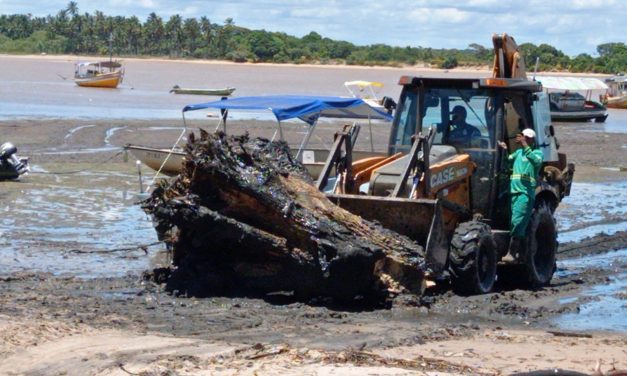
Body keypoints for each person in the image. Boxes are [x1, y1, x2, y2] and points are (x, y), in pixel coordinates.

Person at [498, 128, 544, 261]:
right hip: (514, 191)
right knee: (514, 222)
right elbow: (507, 160)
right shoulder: (518, 153)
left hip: (525, 193)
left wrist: (525, 145)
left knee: (517, 222)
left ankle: (512, 253)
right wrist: (505, 149)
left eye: (528, 138)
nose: (525, 139)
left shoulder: (537, 153)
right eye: (524, 137)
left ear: (532, 140)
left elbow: (536, 162)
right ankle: (523, 252)